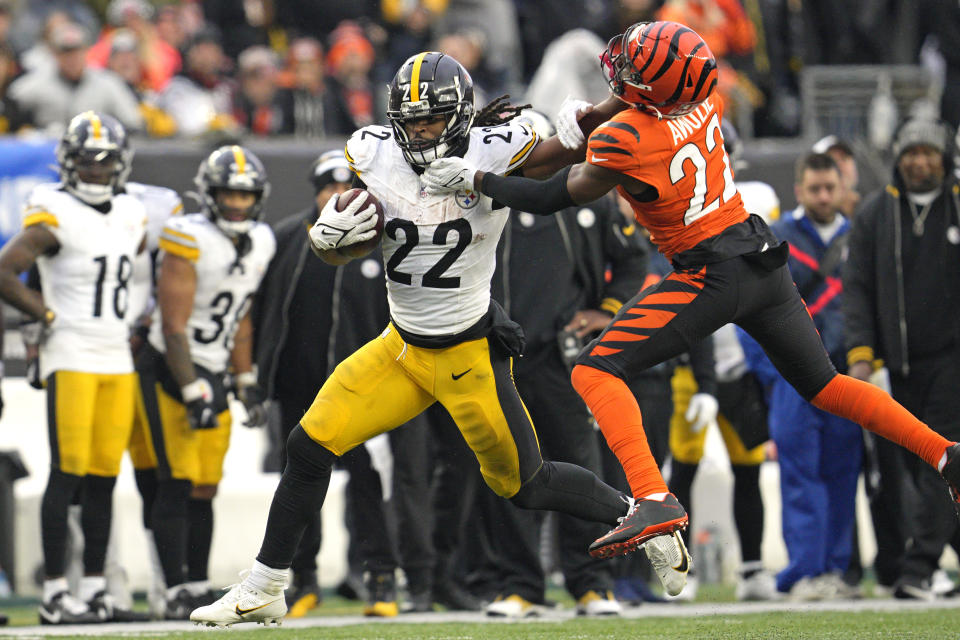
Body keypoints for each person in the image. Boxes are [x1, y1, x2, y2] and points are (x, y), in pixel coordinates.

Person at [420, 21, 960, 574]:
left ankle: (653, 497)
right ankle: (946, 455)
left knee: (595, 371)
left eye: (632, 69)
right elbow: (636, 106)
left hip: (710, 275)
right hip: (761, 260)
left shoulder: (624, 138)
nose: (622, 71)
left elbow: (550, 194)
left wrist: (477, 181)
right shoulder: (703, 98)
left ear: (651, 89)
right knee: (827, 385)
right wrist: (596, 116)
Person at [190, 50, 644, 627]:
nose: (419, 130)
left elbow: (565, 156)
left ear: (460, 114)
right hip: (401, 346)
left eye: (431, 118)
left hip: (468, 352)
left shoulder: (497, 147)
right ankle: (265, 584)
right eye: (410, 120)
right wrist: (336, 244)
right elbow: (367, 245)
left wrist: (611, 104)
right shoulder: (375, 153)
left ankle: (641, 512)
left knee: (526, 484)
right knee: (308, 446)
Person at [480, 109, 648, 618]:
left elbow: (633, 260)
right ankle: (520, 584)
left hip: (563, 356)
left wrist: (606, 311)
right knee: (510, 472)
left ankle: (590, 583)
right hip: (500, 356)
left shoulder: (583, 200)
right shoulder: (485, 201)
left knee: (580, 466)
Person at [253, 150, 418, 618]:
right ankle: (302, 580)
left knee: (372, 485)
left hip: (369, 390)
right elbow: (267, 315)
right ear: (316, 192)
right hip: (301, 388)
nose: (335, 196)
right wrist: (259, 380)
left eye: (345, 187)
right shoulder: (289, 238)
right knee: (303, 483)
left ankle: (381, 579)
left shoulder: (384, 239)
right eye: (328, 187)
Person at [0, 111, 147, 623]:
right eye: (87, 161)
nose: (97, 170)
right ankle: (56, 595)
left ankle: (96, 592)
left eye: (106, 162)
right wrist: (44, 313)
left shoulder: (132, 213)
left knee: (105, 477)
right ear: (69, 163)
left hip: (116, 357)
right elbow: (5, 270)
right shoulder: (53, 208)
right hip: (72, 355)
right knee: (67, 475)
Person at [134, 145, 275, 619]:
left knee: (205, 486)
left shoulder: (261, 240)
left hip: (214, 368)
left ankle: (196, 582)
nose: (236, 204)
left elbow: (243, 316)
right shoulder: (187, 236)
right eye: (227, 195)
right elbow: (173, 325)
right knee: (174, 480)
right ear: (209, 196)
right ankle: (172, 586)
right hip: (170, 367)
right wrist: (193, 389)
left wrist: (245, 378)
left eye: (244, 195)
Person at [844, 116, 960, 600]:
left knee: (941, 460)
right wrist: (862, 359)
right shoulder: (875, 213)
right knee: (916, 470)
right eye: (911, 153)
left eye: (929, 152)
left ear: (945, 158)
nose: (919, 161)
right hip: (899, 364)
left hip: (953, 361)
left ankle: (916, 569)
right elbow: (858, 289)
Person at [741, 152, 861, 600]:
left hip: (845, 375)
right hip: (792, 378)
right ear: (799, 190)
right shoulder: (778, 240)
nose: (824, 196)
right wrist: (770, 375)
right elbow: (751, 309)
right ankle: (805, 572)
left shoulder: (857, 238)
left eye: (831, 188)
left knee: (842, 472)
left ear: (842, 189)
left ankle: (835, 570)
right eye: (815, 189)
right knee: (799, 474)